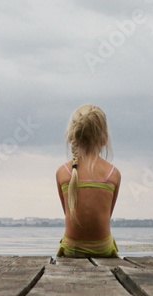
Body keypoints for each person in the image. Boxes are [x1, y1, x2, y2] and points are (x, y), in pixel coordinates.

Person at [56, 105, 121, 258]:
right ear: (104, 138)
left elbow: (68, 213)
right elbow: (106, 215)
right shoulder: (113, 174)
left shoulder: (62, 173)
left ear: (73, 136)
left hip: (72, 249)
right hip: (103, 249)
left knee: (66, 240)